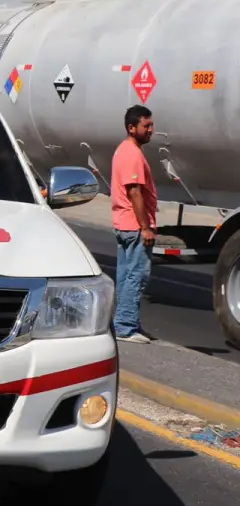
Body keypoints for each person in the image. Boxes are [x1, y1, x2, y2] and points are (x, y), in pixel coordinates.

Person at [111, 104, 158, 344]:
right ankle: (125, 327)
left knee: (126, 275)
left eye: (151, 125)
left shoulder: (124, 150)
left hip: (125, 223)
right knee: (136, 276)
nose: (150, 129)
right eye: (146, 126)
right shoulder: (132, 153)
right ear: (132, 128)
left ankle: (126, 322)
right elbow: (135, 192)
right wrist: (146, 227)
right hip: (134, 224)